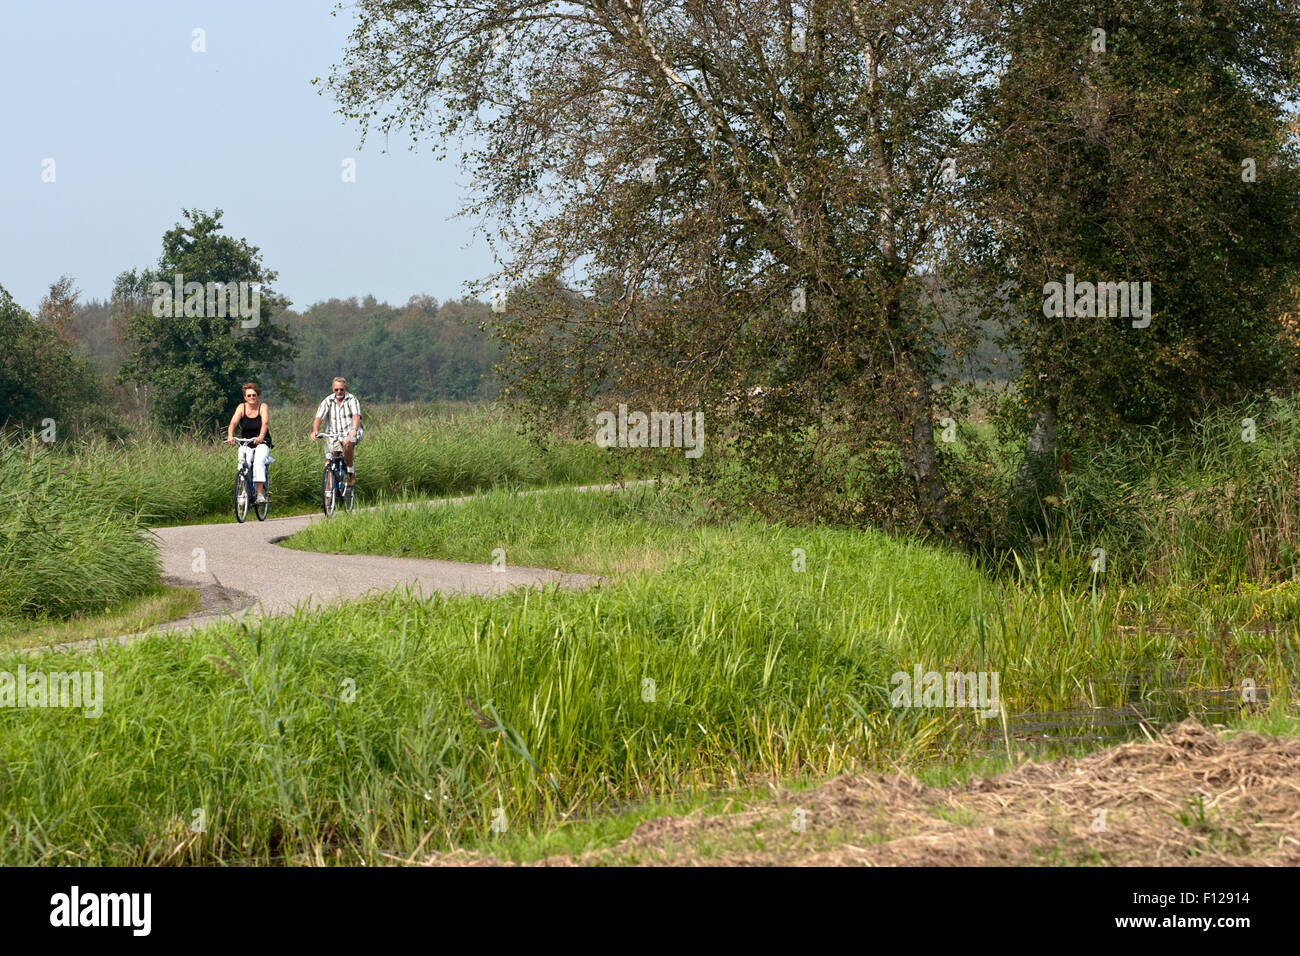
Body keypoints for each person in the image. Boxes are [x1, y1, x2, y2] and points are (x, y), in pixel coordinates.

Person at [311, 376, 362, 486]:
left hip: (349, 433)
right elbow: (319, 418)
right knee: (329, 460)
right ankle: (329, 495)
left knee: (347, 443)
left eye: (341, 389)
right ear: (333, 389)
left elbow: (356, 416)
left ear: (345, 389)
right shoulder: (327, 401)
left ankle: (350, 472)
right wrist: (315, 430)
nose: (339, 392)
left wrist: (354, 429)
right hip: (333, 435)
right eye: (336, 389)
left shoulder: (352, 399)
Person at [225, 382, 272, 503]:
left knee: (258, 462)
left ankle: (260, 493)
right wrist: (230, 435)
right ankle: (244, 492)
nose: (252, 397)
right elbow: (233, 423)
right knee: (242, 464)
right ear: (245, 397)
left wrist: (261, 436)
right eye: (249, 395)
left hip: (262, 441)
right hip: (246, 441)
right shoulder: (242, 407)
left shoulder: (262, 406)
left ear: (257, 396)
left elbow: (265, 422)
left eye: (254, 395)